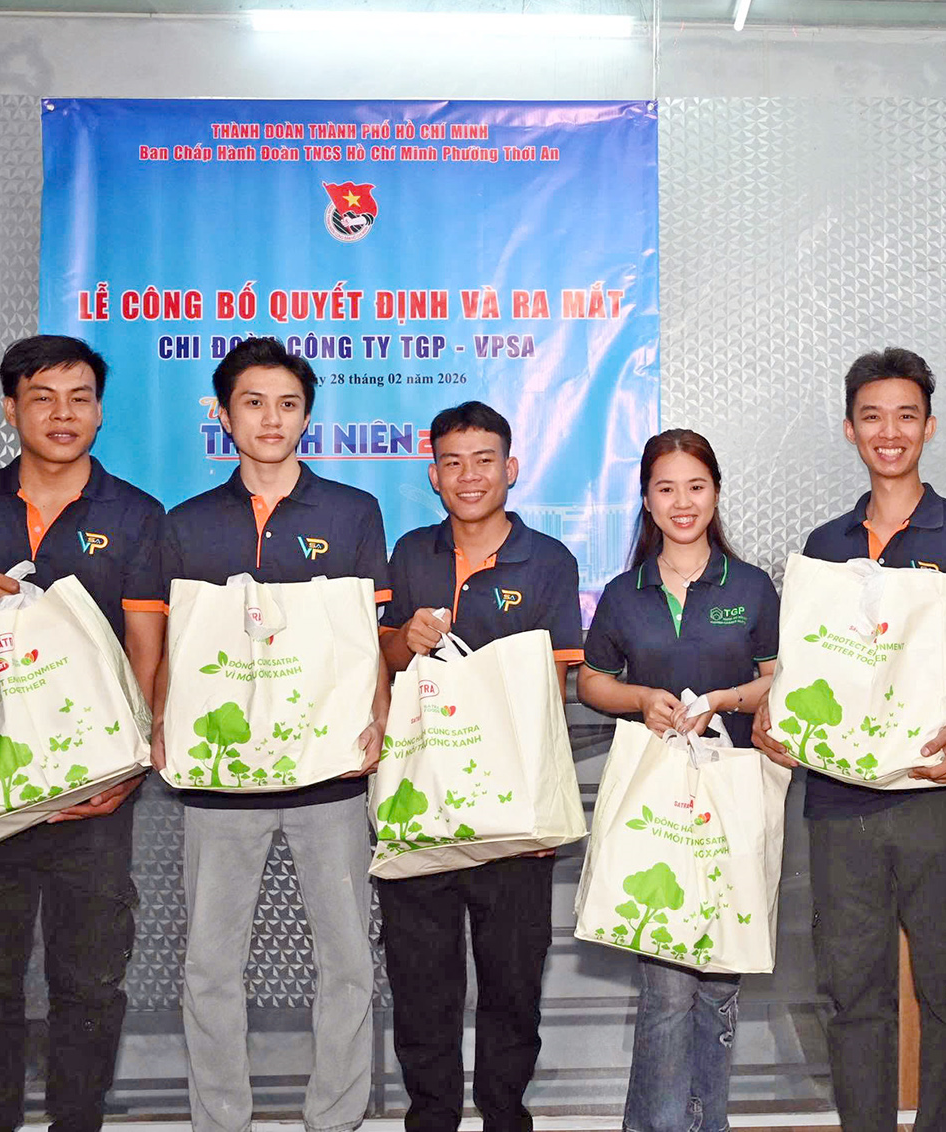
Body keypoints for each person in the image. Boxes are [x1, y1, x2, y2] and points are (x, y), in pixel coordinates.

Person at [752, 348, 946, 1132]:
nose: (889, 432)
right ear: (849, 429)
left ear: (929, 426)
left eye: (905, 415)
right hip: (838, 803)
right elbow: (801, 663)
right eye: (872, 417)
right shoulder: (823, 544)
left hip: (934, 793)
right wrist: (773, 714)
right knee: (852, 991)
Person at [0, 335, 167, 1132]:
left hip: (94, 798)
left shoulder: (135, 514)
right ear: (10, 408)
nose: (63, 415)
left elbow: (146, 649)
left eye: (79, 398)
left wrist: (131, 765)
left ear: (99, 411)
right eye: (42, 398)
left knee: (90, 985)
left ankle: (77, 1122)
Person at [158, 335, 391, 1132]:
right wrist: (161, 722)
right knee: (210, 964)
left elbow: (371, 636)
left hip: (330, 772)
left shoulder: (353, 513)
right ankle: (220, 1119)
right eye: (253, 403)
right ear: (224, 417)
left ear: (307, 417)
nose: (271, 419)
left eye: (288, 404)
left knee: (348, 961)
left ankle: (336, 1118)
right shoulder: (186, 523)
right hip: (220, 780)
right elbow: (175, 648)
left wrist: (378, 716)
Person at [378, 400, 584, 1132]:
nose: (469, 476)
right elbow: (383, 659)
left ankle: (505, 1116)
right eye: (453, 462)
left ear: (512, 469)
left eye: (484, 460)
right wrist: (403, 638)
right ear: (434, 475)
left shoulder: (550, 562)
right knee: (421, 987)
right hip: (422, 807)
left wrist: (542, 805)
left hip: (512, 815)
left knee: (512, 988)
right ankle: (430, 1118)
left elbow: (553, 693)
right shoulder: (410, 553)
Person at [579, 428, 779, 1132]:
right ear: (646, 499)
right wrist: (640, 699)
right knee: (666, 987)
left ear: (716, 492)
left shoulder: (750, 586)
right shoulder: (624, 593)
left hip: (734, 801)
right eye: (666, 488)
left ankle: (705, 1121)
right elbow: (592, 681)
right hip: (658, 805)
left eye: (696, 486)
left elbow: (778, 680)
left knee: (720, 983)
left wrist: (725, 700)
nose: (682, 502)